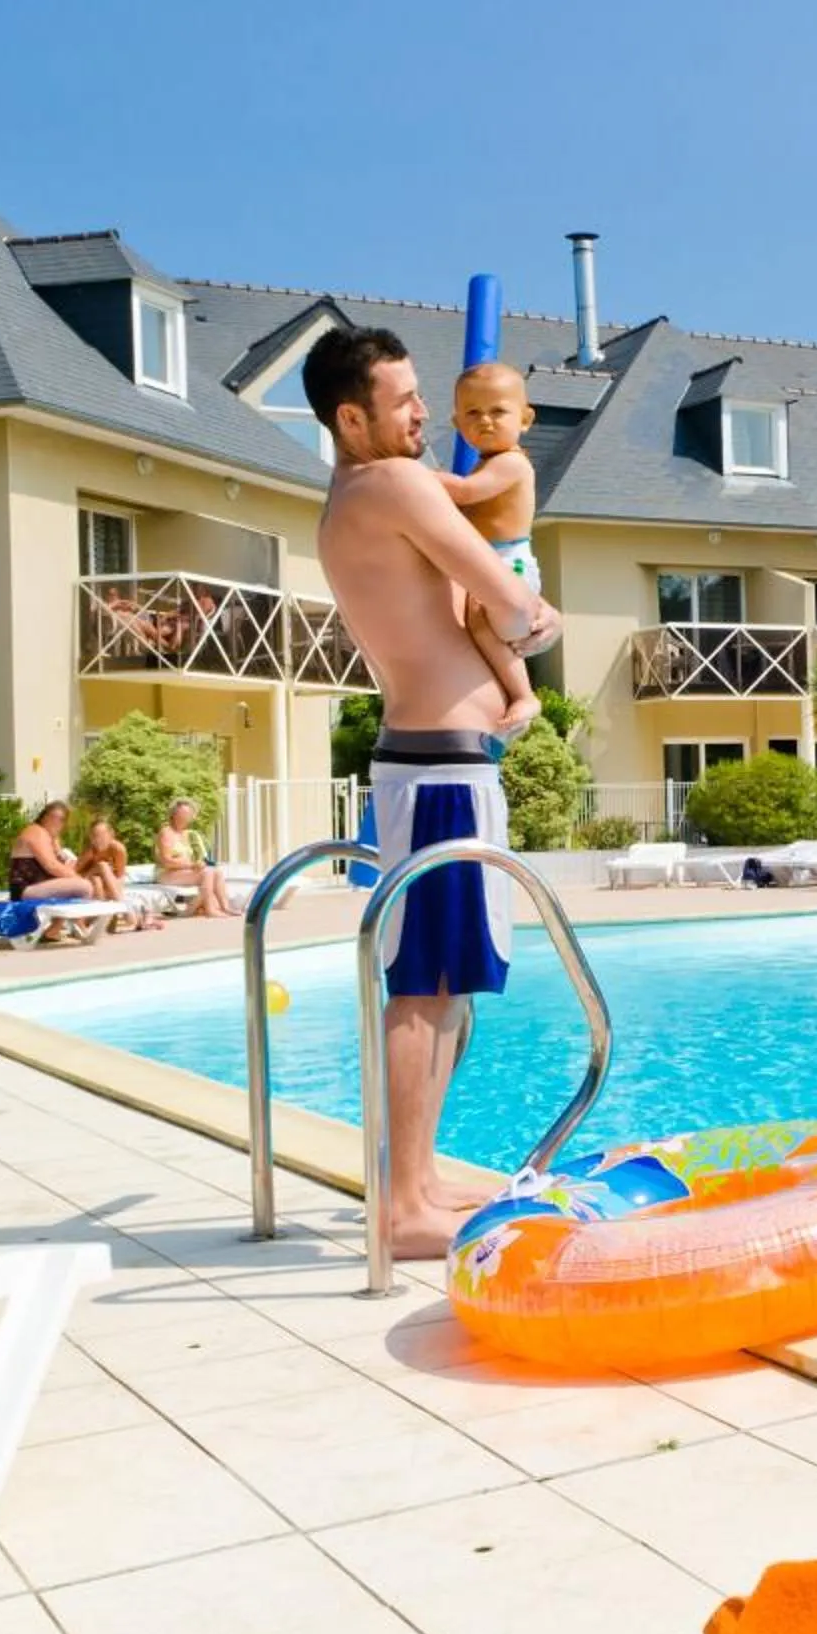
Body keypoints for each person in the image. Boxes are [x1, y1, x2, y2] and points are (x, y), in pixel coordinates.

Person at [310, 323, 560, 1259]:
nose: (425, 414)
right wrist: (533, 618)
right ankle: (402, 1204)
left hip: (430, 756)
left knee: (443, 988)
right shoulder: (398, 484)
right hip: (442, 767)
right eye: (406, 400)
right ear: (352, 417)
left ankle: (411, 1181)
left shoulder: (348, 499)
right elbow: (508, 601)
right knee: (427, 987)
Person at [435, 361, 546, 740]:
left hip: (508, 561)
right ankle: (509, 699)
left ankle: (525, 695)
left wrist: (413, 475)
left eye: (498, 411)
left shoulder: (512, 464)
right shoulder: (487, 465)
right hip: (490, 561)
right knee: (478, 628)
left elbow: (466, 494)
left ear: (525, 419)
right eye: (473, 413)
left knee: (482, 620)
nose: (485, 421)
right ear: (457, 425)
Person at [154, 798, 236, 917]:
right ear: (173, 815)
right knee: (207, 873)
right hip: (166, 874)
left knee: (216, 872)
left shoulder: (185, 834)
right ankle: (210, 909)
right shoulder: (166, 832)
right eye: (182, 814)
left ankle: (226, 907)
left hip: (183, 872)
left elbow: (188, 858)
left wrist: (197, 863)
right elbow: (166, 861)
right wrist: (192, 865)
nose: (185, 817)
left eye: (188, 814)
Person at [6, 803, 101, 902]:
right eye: (56, 818)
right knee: (84, 886)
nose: (58, 824)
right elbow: (52, 866)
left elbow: (61, 864)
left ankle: (97, 916)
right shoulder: (37, 832)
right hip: (25, 890)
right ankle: (82, 917)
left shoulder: (47, 836)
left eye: (62, 820)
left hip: (34, 887)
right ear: (44, 817)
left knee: (92, 883)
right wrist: (78, 878)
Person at [77, 817, 143, 924]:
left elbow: (120, 877)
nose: (98, 839)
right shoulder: (90, 851)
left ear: (111, 834)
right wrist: (94, 869)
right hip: (89, 884)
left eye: (102, 835)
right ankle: (123, 912)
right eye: (94, 836)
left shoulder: (118, 849)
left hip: (109, 887)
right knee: (100, 872)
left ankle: (104, 917)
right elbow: (76, 875)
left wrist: (112, 890)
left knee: (100, 874)